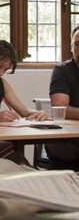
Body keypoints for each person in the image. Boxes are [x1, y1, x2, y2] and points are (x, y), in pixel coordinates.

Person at [47, 25, 79, 163]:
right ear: (72, 47)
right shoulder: (62, 71)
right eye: (77, 45)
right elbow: (60, 109)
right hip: (68, 140)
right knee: (55, 141)